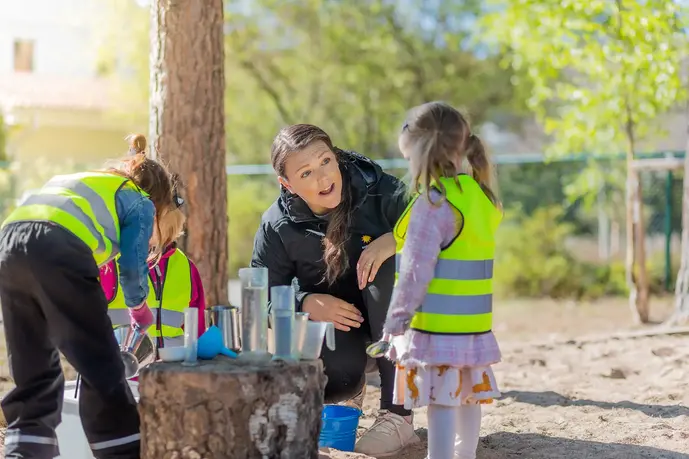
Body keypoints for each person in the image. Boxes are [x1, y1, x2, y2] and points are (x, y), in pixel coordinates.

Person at [0, 134, 177, 459]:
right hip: (59, 246)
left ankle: (24, 449)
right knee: (100, 363)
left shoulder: (88, 182)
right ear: (159, 201)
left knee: (33, 365)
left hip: (8, 243)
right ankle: (122, 450)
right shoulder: (139, 201)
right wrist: (139, 307)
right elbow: (133, 268)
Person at [251, 124, 418, 457]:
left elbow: (437, 224)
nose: (323, 177)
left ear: (337, 157)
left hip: (402, 326)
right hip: (340, 334)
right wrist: (305, 302)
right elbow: (262, 294)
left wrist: (393, 240)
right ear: (287, 184)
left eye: (326, 161)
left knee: (388, 262)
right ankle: (347, 397)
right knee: (336, 373)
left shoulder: (380, 190)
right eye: (306, 172)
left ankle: (398, 414)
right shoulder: (276, 225)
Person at [382, 101, 503, 459]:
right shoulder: (481, 197)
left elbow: (415, 274)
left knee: (440, 402)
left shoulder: (432, 205)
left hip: (438, 328)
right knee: (467, 396)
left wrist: (395, 323)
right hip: (474, 326)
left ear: (420, 153)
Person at [100, 175, 206, 350]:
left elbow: (197, 336)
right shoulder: (110, 263)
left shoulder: (186, 268)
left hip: (174, 374)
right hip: (122, 373)